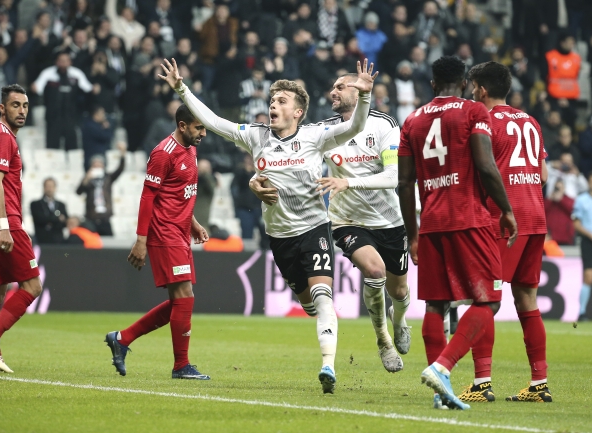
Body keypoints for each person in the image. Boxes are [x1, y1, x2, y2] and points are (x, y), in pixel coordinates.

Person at [159, 57, 376, 393]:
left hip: (314, 229)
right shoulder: (256, 136)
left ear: (297, 112)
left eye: (281, 101)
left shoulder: (315, 135)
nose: (273, 105)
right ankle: (321, 332)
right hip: (280, 237)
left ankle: (328, 366)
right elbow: (214, 121)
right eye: (272, 100)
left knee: (323, 298)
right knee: (308, 304)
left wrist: (364, 96)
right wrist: (181, 88)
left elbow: (355, 127)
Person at [250, 73, 411, 373]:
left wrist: (348, 182)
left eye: (340, 87)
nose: (332, 92)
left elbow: (393, 177)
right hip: (346, 220)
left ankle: (399, 321)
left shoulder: (384, 124)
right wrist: (254, 180)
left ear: (358, 91)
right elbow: (286, 158)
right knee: (374, 271)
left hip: (389, 220)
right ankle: (383, 340)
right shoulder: (322, 131)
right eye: (332, 87)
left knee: (399, 292)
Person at [398, 56, 516, 410]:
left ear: (433, 84)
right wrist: (507, 210)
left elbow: (403, 184)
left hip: (431, 223)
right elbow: (486, 165)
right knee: (489, 300)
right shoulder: (473, 111)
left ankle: (441, 395)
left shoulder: (412, 120)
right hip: (469, 218)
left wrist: (413, 234)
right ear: (464, 83)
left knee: (436, 304)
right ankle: (443, 367)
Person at [105, 104, 211, 380]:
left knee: (181, 300)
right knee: (184, 296)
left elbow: (179, 193)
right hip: (164, 233)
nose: (203, 133)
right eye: (199, 127)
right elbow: (148, 196)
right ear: (182, 125)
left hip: (180, 232)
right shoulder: (163, 153)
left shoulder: (191, 148)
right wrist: (141, 240)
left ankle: (122, 338)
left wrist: (194, 223)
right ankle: (181, 365)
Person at [467, 61, 552, 403]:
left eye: (473, 86)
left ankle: (481, 382)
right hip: (536, 216)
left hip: (504, 220)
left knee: (485, 298)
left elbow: (482, 170)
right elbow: (543, 175)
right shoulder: (530, 120)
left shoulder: (484, 121)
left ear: (482, 89)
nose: (471, 92)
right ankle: (539, 383)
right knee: (527, 299)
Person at [0, 84, 43, 374]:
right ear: (2, 108)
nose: (22, 111)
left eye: (25, 106)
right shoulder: (3, 137)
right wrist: (5, 226)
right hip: (3, 223)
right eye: (15, 105)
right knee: (33, 286)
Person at [76, 143, 126, 236]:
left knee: (108, 241)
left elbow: (120, 169)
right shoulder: (88, 180)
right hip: (91, 217)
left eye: (100, 165)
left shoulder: (108, 178)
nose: (97, 167)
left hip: (105, 218)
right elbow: (78, 192)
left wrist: (122, 154)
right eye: (95, 165)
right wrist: (86, 179)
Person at [573, 171, 592, 322]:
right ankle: (582, 312)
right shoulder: (581, 200)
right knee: (588, 276)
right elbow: (576, 224)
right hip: (588, 242)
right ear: (588, 183)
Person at [30, 177, 68, 244]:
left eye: (51, 186)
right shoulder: (35, 204)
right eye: (47, 186)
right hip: (42, 240)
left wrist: (48, 220)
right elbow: (39, 219)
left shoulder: (61, 205)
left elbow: (65, 222)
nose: (49, 189)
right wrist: (57, 218)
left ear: (55, 188)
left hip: (58, 241)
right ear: (43, 188)